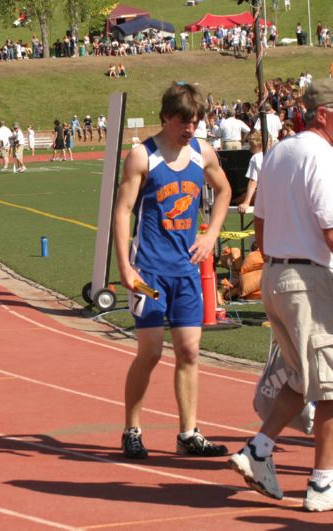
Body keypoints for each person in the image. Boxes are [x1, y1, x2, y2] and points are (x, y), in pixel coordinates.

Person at [229, 79, 333, 512]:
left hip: (276, 275)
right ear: (324, 114)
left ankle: (258, 449)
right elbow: (331, 228)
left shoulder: (278, 153)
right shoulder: (322, 157)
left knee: (298, 378)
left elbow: (260, 229)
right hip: (309, 280)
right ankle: (323, 482)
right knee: (330, 387)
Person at [112, 82, 232, 460]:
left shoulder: (202, 153)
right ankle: (132, 428)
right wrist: (125, 267)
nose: (190, 129)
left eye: (195, 122)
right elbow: (122, 210)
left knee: (190, 351)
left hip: (186, 270)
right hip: (149, 273)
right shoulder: (142, 157)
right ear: (166, 117)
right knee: (149, 352)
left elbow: (225, 190)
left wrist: (211, 233)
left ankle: (188, 433)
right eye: (183, 122)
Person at [237, 135, 263, 213]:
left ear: (259, 145)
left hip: (265, 196)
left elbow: (253, 180)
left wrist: (246, 202)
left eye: (251, 146)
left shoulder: (256, 157)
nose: (249, 148)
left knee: (238, 200)